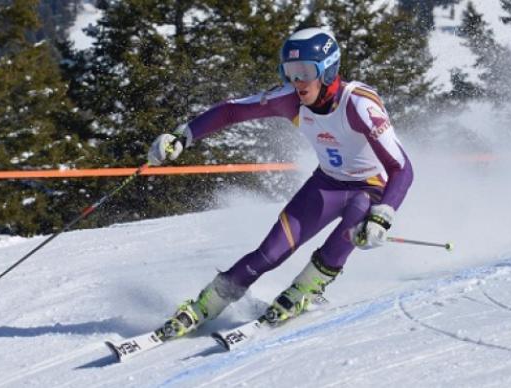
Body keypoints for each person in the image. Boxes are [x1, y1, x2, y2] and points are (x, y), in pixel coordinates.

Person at [147, 28, 413, 338]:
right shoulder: (290, 99)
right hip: (325, 185)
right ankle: (207, 303)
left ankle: (306, 289)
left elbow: (402, 168)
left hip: (369, 188)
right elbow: (232, 110)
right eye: (289, 72)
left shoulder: (359, 104)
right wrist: (183, 135)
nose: (297, 82)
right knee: (269, 254)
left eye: (305, 72)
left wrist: (383, 215)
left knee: (357, 215)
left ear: (327, 70)